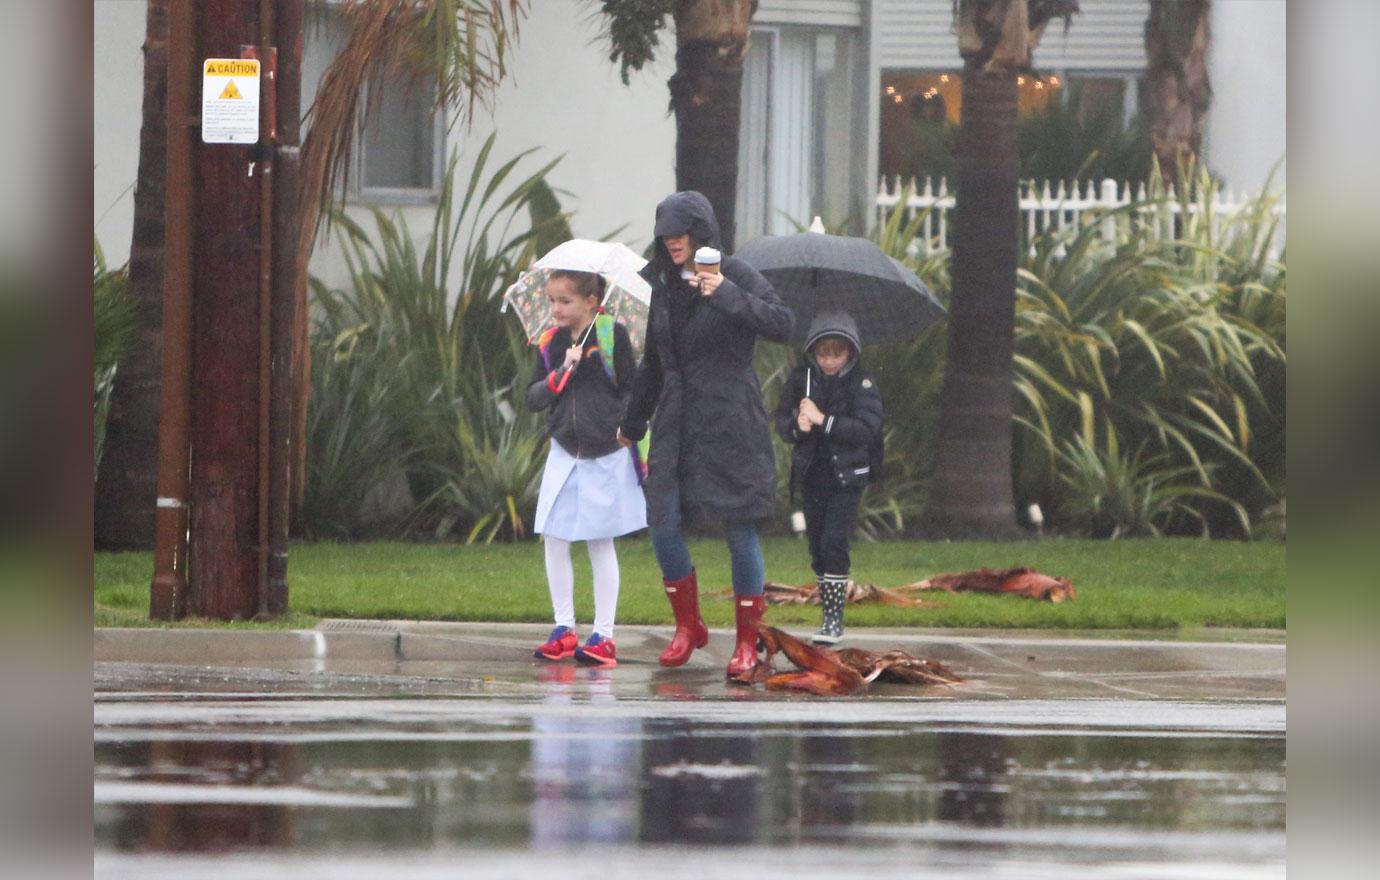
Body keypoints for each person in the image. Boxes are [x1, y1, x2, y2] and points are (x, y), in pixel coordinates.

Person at [618, 191, 793, 678]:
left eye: (680, 231)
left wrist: (729, 296)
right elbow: (654, 362)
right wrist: (633, 423)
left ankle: (745, 642)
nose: (671, 240)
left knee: (739, 526)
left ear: (702, 231)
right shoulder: (660, 284)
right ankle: (688, 625)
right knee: (663, 523)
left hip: (729, 420)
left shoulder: (735, 275)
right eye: (665, 233)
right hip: (675, 422)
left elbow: (782, 322)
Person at [528, 269, 647, 667]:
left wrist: (626, 425)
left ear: (591, 302)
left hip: (604, 451)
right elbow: (533, 396)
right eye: (551, 301)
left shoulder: (612, 336)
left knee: (599, 540)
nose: (556, 309)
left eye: (565, 301)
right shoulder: (550, 341)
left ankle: (604, 635)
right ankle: (564, 628)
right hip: (564, 448)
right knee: (555, 536)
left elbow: (632, 388)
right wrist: (560, 372)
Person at [774, 311, 883, 645]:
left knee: (834, 541)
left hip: (846, 477)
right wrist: (797, 425)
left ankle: (833, 619)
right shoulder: (801, 380)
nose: (829, 361)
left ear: (849, 352)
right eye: (823, 353)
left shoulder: (861, 384)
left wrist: (824, 420)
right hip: (812, 475)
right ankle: (827, 607)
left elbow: (866, 428)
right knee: (817, 546)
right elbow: (782, 419)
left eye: (836, 353)